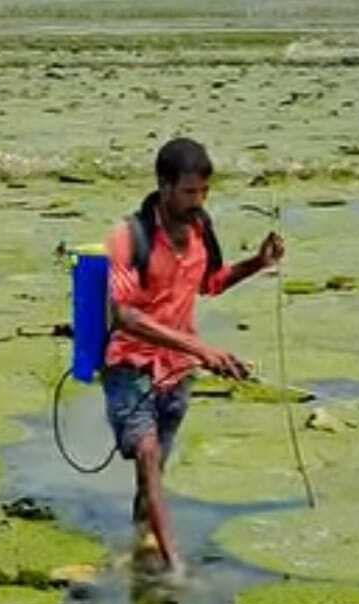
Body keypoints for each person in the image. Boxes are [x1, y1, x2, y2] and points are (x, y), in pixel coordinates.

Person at [103, 136, 285, 577]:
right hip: (130, 365)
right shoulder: (129, 238)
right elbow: (122, 314)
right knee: (147, 455)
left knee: (154, 473)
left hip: (178, 372)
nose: (198, 201)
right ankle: (175, 568)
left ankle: (143, 543)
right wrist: (202, 349)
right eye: (189, 192)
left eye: (204, 192)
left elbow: (211, 283)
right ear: (164, 186)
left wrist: (256, 264)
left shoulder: (201, 230)